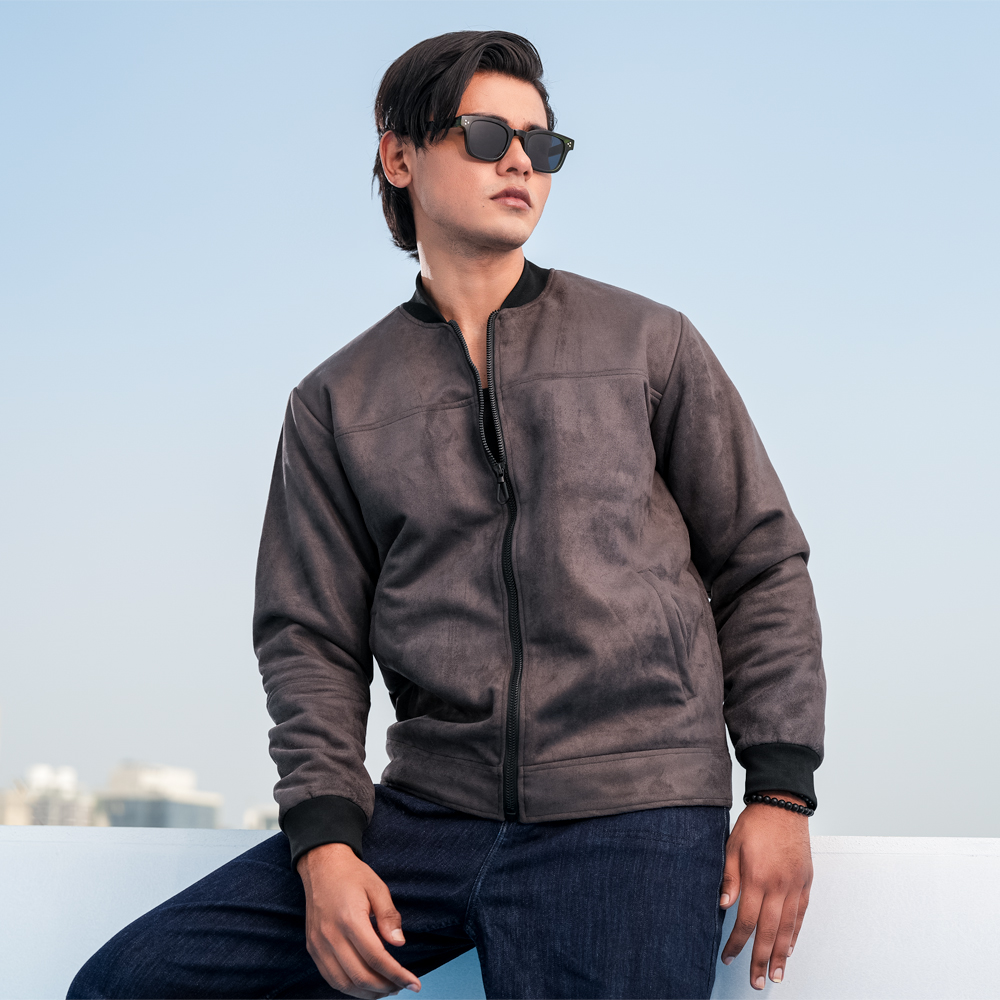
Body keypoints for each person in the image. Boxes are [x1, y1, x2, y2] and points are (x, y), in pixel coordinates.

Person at [69, 29, 825, 1000]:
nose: (519, 162)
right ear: (399, 157)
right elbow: (309, 637)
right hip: (426, 816)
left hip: (629, 812)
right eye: (485, 135)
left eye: (541, 144)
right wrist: (325, 844)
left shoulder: (649, 344)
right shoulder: (336, 400)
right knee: (131, 983)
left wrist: (779, 790)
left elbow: (759, 564)